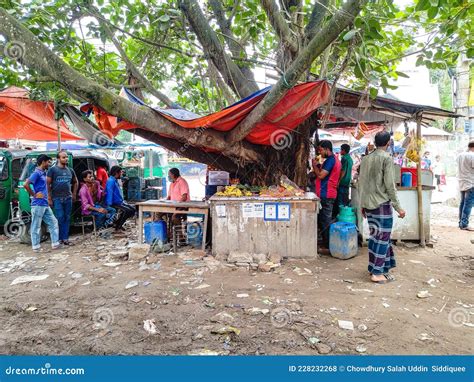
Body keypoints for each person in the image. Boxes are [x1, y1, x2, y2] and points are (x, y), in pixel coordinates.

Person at [358, 131, 406, 284]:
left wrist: (362, 205)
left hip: (369, 204)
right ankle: (377, 272)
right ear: (388, 143)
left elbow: (362, 183)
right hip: (381, 205)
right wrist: (399, 207)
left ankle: (378, 268)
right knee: (382, 238)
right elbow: (390, 186)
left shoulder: (365, 159)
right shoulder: (386, 158)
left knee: (375, 236)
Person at [24, 154, 60, 252]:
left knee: (53, 222)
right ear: (43, 162)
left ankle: (55, 244)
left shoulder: (43, 173)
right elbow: (26, 184)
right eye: (48, 162)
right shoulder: (37, 173)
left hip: (44, 204)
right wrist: (34, 195)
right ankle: (36, 247)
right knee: (36, 226)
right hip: (38, 204)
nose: (49, 163)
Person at [312, 140, 341, 254]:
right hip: (327, 193)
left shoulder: (330, 160)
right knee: (324, 219)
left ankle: (329, 246)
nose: (320, 152)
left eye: (320, 150)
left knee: (325, 220)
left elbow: (320, 175)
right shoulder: (333, 160)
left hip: (327, 194)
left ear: (326, 149)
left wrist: (314, 166)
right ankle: (326, 243)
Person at [47, 150, 78, 246]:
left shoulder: (70, 170)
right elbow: (47, 184)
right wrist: (49, 197)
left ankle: (65, 239)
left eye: (66, 157)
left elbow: (76, 182)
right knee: (60, 218)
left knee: (67, 218)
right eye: (63, 157)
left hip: (68, 198)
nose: (66, 159)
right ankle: (59, 239)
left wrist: (74, 194)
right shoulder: (52, 170)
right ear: (58, 159)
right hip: (57, 198)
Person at [105, 165, 135, 231]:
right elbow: (109, 193)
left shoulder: (115, 180)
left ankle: (117, 223)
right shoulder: (111, 181)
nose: (121, 174)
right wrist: (109, 205)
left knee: (132, 209)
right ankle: (118, 226)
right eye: (120, 172)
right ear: (116, 173)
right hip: (113, 203)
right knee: (126, 211)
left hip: (119, 202)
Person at [457, 141, 474, 231]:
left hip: (462, 181)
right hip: (471, 182)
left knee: (463, 203)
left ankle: (461, 223)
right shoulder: (472, 156)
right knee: (468, 204)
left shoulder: (460, 155)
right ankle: (464, 224)